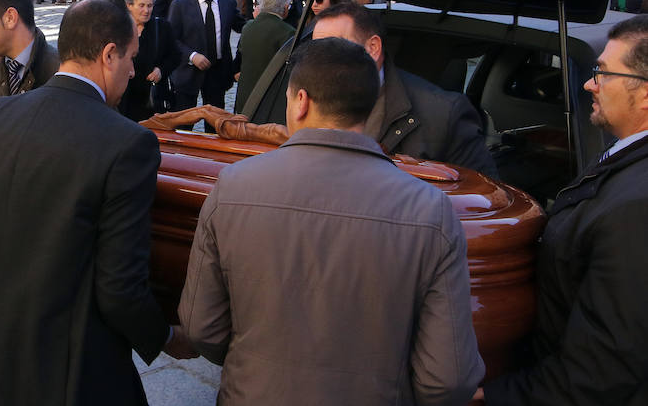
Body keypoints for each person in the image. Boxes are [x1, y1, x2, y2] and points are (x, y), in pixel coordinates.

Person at [179, 37, 484, 405]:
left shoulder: (232, 186)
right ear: (370, 106)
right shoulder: (431, 210)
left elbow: (201, 327)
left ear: (302, 101)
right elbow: (447, 377)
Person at [0, 0, 194, 405]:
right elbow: (119, 287)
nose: (133, 70)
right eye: (130, 58)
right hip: (63, 371)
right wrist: (166, 337)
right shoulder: (127, 143)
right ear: (109, 54)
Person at [479, 15, 648, 405]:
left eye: (603, 73)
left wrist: (492, 395)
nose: (590, 84)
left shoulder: (637, 209)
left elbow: (600, 370)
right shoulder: (626, 159)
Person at [312, 2, 498, 177]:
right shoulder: (303, 97)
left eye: (334, 47)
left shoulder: (444, 114)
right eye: (315, 51)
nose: (320, 62)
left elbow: (484, 197)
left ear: (373, 48)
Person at [168, 0, 242, 118]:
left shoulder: (227, 1)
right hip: (188, 72)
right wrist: (192, 56)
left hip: (218, 71)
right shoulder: (180, 5)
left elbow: (242, 26)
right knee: (183, 123)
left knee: (215, 124)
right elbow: (171, 39)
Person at [119, 0, 179, 120]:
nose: (146, 10)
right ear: (129, 5)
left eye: (150, 6)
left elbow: (175, 56)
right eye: (141, 5)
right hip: (124, 98)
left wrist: (161, 70)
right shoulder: (117, 29)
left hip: (153, 98)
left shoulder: (162, 27)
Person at [234, 0, 295, 114]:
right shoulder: (288, 32)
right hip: (269, 101)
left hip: (245, 97)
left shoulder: (248, 27)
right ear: (285, 6)